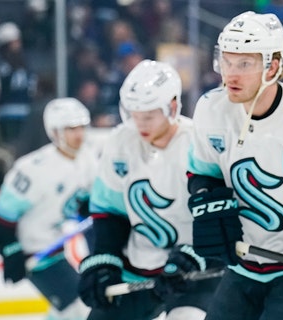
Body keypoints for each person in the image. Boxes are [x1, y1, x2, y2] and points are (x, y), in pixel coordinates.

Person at [186, 11, 283, 320]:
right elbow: (202, 172)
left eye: (244, 64)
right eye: (226, 61)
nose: (230, 74)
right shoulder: (210, 107)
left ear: (272, 66)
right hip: (244, 265)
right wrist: (208, 197)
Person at [78, 59, 221, 320]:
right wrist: (105, 259)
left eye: (149, 115)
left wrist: (194, 256)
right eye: (134, 113)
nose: (140, 123)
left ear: (173, 106)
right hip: (138, 266)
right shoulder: (121, 141)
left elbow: (217, 214)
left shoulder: (198, 143)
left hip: (194, 270)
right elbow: (110, 211)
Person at [0, 97, 95, 320]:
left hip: (54, 247)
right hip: (33, 252)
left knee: (67, 309)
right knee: (76, 308)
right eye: (71, 129)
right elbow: (0, 219)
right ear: (55, 132)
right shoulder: (32, 170)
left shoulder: (88, 161)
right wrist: (11, 252)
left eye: (81, 127)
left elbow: (87, 204)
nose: (79, 135)